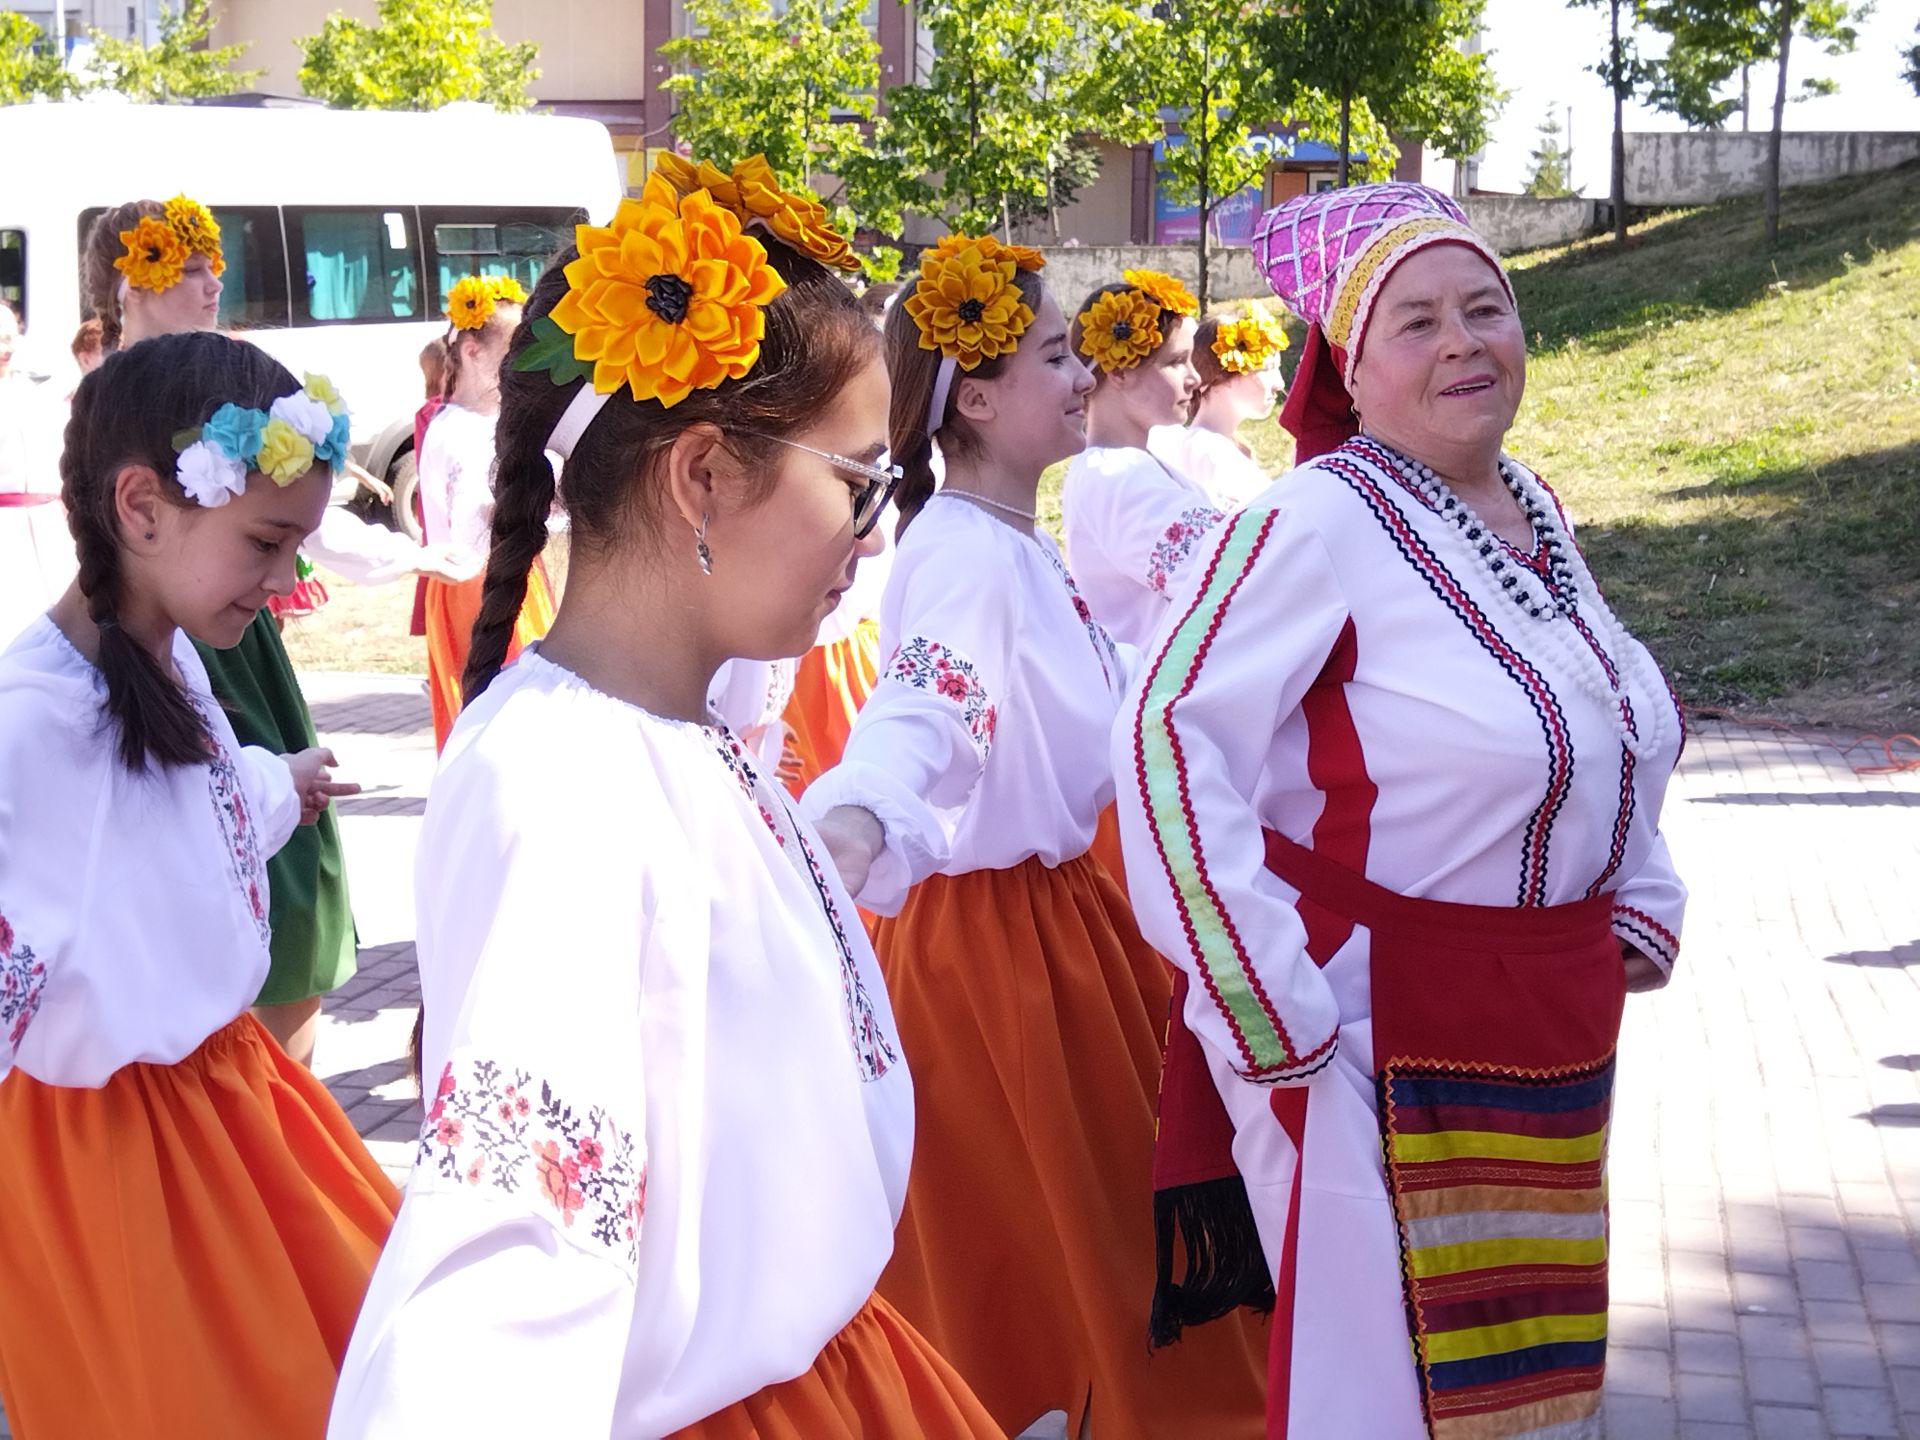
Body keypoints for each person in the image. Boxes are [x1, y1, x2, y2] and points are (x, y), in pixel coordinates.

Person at [330, 160, 997, 1438]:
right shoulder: (564, 779)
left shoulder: (683, 733)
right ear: (702, 476)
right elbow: (506, 1262)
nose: (873, 534)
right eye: (860, 484)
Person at [1113, 182, 1687, 1438]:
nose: (1465, 341)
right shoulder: (1312, 519)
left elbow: (1607, 710)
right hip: (1370, 1037)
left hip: (1530, 1023)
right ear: (1352, 372)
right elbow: (1165, 735)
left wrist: (1634, 895)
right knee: (1376, 1403)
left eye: (1487, 307)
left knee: (1514, 1386)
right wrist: (1268, 999)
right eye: (1417, 321)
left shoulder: (1532, 510)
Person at [803, 235, 1268, 1439]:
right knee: (1072, 1264)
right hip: (997, 963)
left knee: (1102, 1251)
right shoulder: (964, 552)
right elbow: (931, 709)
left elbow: (1093, 686)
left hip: (1054, 932)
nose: (1081, 378)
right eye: (1056, 354)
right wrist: (858, 821)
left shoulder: (1009, 541)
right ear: (976, 394)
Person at [0, 331, 400, 1438]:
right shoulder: (30, 725)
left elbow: (172, 832)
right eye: (268, 542)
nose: (287, 582)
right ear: (142, 509)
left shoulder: (167, 657)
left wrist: (281, 784)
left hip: (236, 1107)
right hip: (122, 1172)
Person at [82, 195, 363, 1067]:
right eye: (191, 269)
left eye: (214, 270)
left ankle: (273, 1084)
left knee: (292, 883)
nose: (213, 286)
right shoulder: (109, 409)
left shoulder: (230, 394)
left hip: (225, 655)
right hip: (165, 639)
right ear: (135, 280)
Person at [417, 273, 555, 750]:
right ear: (473, 350)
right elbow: (471, 530)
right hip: (473, 584)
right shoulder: (454, 431)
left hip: (510, 572)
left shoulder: (495, 420)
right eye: (514, 343)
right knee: (497, 714)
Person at [1060, 269, 1220, 652]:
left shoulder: (1130, 464)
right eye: (1177, 361)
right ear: (1119, 372)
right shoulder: (1114, 477)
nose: (1194, 377)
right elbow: (1228, 574)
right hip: (1160, 697)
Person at [1147, 304, 1288, 511]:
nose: (1280, 383)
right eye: (1266, 369)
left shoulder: (1215, 446)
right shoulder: (1207, 451)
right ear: (1222, 376)